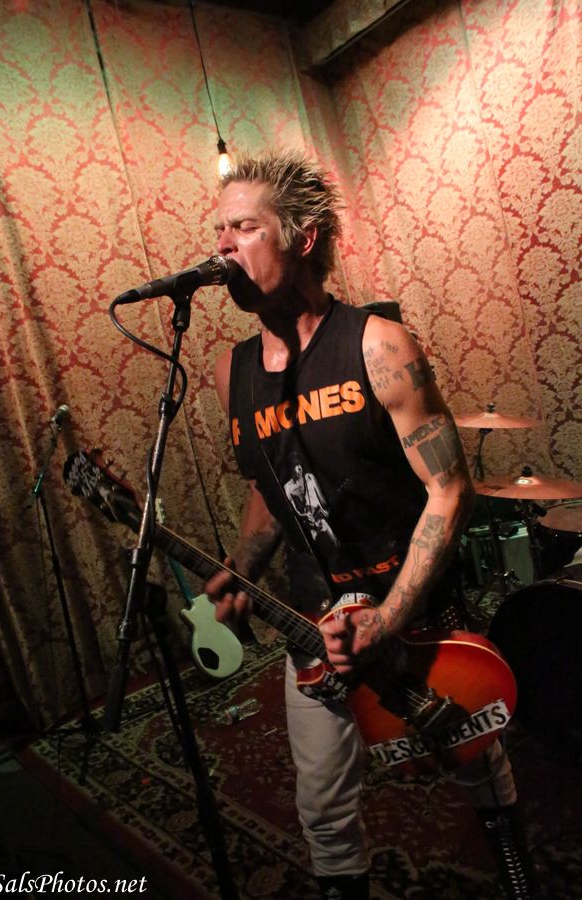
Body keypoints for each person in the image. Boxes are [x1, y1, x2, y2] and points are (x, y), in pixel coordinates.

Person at [205, 150, 539, 900]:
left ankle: (518, 872)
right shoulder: (231, 373)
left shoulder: (378, 344)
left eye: (245, 227)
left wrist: (389, 618)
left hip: (411, 612)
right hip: (313, 624)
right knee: (323, 807)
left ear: (303, 238)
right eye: (218, 230)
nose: (222, 244)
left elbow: (450, 489)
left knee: (476, 757)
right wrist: (242, 566)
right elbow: (268, 488)